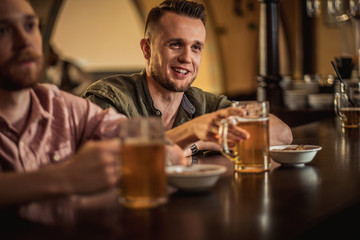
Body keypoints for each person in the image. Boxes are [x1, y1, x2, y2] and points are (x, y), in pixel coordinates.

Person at [0, 0, 185, 207]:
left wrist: (154, 156)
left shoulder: (64, 107)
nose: (24, 41)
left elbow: (169, 154)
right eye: (3, 30)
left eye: (29, 26)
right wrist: (66, 178)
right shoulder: (106, 93)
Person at [82, 0, 293, 156]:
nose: (186, 58)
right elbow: (105, 159)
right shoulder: (110, 97)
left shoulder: (204, 103)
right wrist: (191, 131)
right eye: (175, 44)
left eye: (196, 47)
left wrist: (198, 142)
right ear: (147, 49)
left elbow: (283, 135)